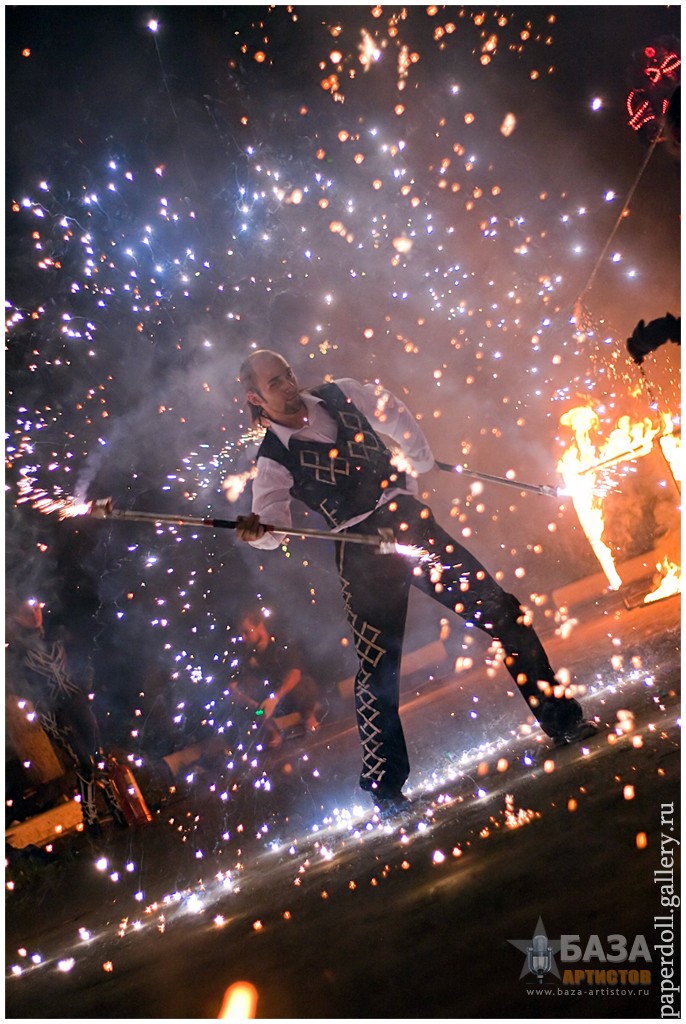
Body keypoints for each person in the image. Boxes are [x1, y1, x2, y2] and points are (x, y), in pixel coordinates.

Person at [235, 350, 597, 814]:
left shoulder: (341, 393)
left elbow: (393, 412)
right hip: (362, 555)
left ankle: (563, 720)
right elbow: (273, 526)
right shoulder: (272, 459)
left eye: (287, 374)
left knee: (503, 612)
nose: (288, 384)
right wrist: (259, 534)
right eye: (274, 382)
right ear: (254, 398)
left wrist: (420, 460)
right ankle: (384, 788)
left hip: (409, 523)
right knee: (377, 672)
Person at [5, 597, 125, 834]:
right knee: (83, 760)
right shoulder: (16, 653)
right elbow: (16, 685)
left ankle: (115, 810)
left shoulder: (56, 635)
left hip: (76, 702)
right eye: (26, 611)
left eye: (36, 608)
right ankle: (93, 817)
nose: (34, 614)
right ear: (16, 617)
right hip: (54, 712)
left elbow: (84, 657)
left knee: (96, 755)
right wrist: (40, 699)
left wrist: (84, 686)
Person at [229, 605, 321, 749]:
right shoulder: (245, 654)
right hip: (267, 705)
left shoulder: (281, 642)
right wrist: (251, 703)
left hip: (288, 695)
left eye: (246, 632)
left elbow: (295, 674)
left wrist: (275, 698)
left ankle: (308, 717)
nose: (243, 638)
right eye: (241, 634)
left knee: (304, 686)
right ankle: (272, 731)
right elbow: (233, 687)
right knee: (252, 707)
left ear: (259, 626)